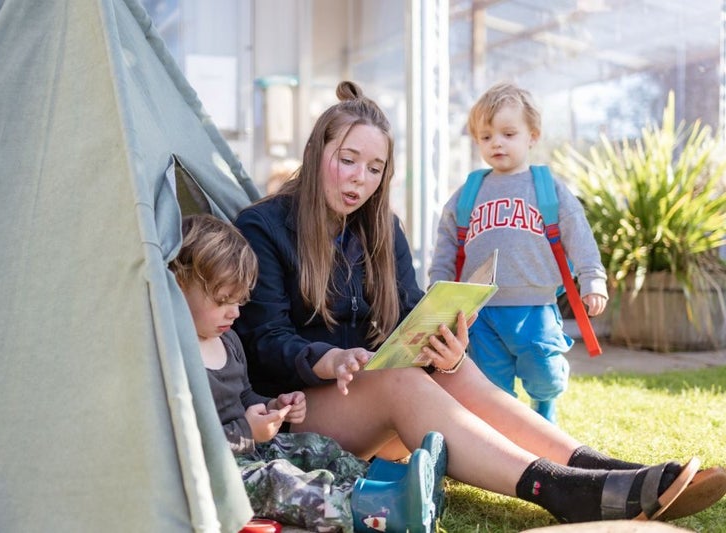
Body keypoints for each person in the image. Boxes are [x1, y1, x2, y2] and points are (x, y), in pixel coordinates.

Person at [233, 80, 726, 525]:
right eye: (347, 159)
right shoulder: (264, 226)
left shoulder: (381, 228)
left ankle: (603, 469)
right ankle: (559, 490)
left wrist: (445, 339)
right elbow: (263, 341)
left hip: (365, 402)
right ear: (317, 150)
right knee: (401, 381)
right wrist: (329, 360)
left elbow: (409, 311)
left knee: (453, 368)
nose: (360, 179)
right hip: (293, 413)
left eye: (375, 168)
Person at [169, 214, 447, 533]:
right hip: (215, 471)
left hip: (251, 447)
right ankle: (378, 510)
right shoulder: (174, 356)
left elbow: (244, 395)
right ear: (179, 287)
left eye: (239, 301)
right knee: (279, 480)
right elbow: (185, 444)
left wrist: (273, 406)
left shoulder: (227, 340)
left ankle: (394, 484)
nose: (234, 313)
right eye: (222, 301)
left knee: (314, 446)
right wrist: (247, 430)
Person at [428, 82, 608, 424]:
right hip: (479, 311)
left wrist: (593, 279)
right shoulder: (469, 192)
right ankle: (508, 429)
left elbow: (579, 234)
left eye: (508, 133)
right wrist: (439, 289)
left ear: (532, 136)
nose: (496, 142)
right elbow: (447, 244)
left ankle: (544, 407)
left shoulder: (547, 187)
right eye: (486, 136)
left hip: (535, 307)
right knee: (491, 383)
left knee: (546, 374)